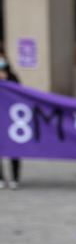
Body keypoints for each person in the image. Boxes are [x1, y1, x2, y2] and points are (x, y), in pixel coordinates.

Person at [0, 50, 21, 190]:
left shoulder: (12, 76)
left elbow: (21, 93)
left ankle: (15, 177)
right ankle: (1, 178)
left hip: (11, 119)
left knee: (14, 148)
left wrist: (6, 80)